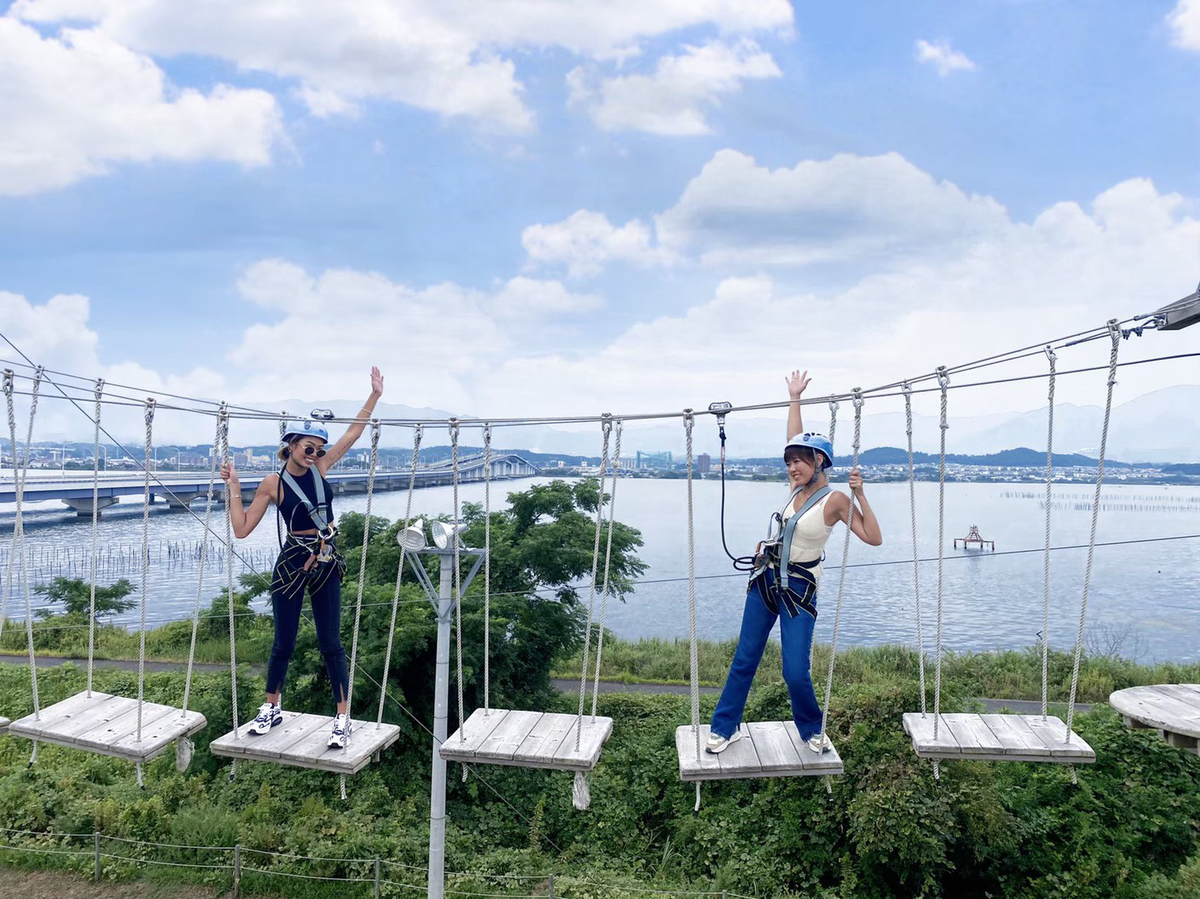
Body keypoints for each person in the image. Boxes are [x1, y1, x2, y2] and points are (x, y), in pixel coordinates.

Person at [707, 369, 882, 755]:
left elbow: (873, 537)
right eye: (789, 463)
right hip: (765, 581)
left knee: (795, 672)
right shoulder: (795, 489)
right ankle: (725, 726)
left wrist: (861, 495)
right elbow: (794, 436)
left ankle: (810, 728)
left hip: (799, 591)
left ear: (819, 462)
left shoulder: (833, 500)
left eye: (800, 462)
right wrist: (794, 398)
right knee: (744, 659)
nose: (792, 468)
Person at [220, 367, 384, 749]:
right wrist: (234, 488)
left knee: (331, 643)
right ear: (291, 445)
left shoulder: (321, 468)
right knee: (284, 643)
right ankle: (272, 707)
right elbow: (242, 529)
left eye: (319, 450)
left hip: (325, 560)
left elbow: (353, 434)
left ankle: (343, 717)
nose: (314, 455)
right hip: (292, 563)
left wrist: (374, 396)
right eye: (307, 448)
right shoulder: (272, 484)